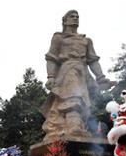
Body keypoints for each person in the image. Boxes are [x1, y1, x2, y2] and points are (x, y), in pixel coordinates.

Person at [40, 10, 112, 139]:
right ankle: (73, 127)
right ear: (65, 20)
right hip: (67, 70)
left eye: (77, 16)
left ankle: (78, 126)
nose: (75, 18)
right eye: (72, 16)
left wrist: (101, 78)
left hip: (84, 73)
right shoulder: (58, 37)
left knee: (83, 102)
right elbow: (51, 58)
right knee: (73, 97)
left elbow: (93, 60)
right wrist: (50, 76)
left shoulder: (86, 40)